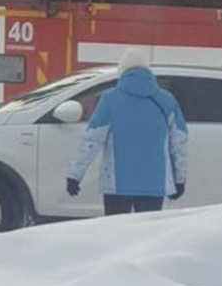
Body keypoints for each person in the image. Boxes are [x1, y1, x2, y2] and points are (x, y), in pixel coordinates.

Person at [66, 49, 189, 215]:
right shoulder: (166, 100)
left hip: (116, 185)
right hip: (154, 185)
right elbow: (179, 142)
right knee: (146, 236)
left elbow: (92, 140)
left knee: (117, 234)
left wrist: (75, 176)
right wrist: (179, 180)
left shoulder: (110, 99)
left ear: (122, 71)